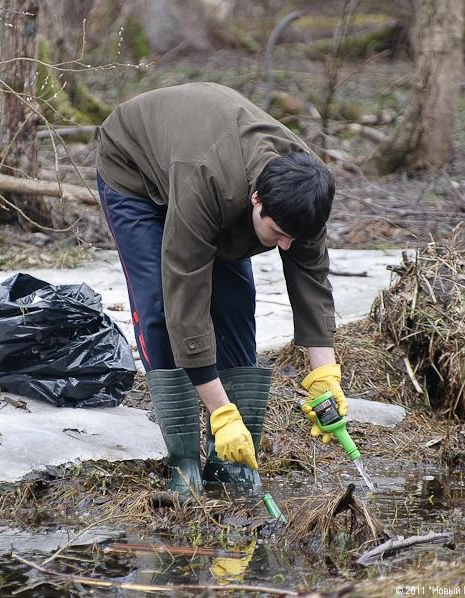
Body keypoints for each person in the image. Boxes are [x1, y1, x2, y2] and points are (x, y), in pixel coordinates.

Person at [95, 82, 348, 495]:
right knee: (160, 305)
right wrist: (220, 412)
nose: (285, 247)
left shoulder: (307, 194)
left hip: (204, 162)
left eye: (294, 238)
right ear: (256, 200)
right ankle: (183, 460)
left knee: (235, 303)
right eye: (278, 233)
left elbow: (312, 283)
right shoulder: (208, 180)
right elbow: (185, 292)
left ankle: (229, 457)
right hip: (136, 167)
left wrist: (325, 374)